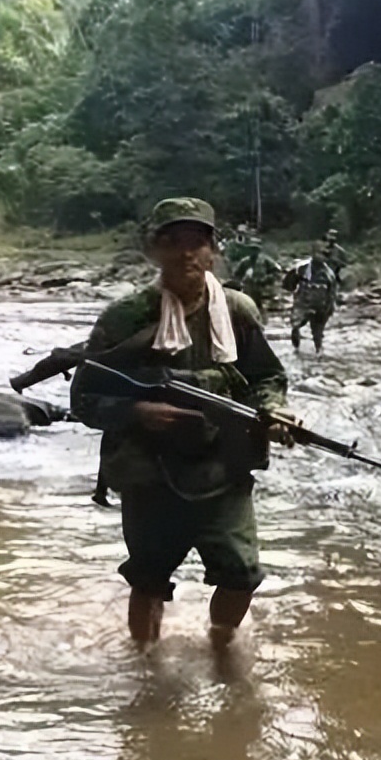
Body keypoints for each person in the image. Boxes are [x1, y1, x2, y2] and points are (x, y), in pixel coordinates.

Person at [69, 197, 291, 649]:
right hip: (149, 472)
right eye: (173, 242)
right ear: (154, 249)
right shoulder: (126, 318)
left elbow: (265, 376)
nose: (186, 253)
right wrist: (137, 412)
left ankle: (222, 646)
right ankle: (145, 668)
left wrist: (273, 411)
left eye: (197, 242)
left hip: (221, 470)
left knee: (241, 573)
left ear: (213, 250)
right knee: (148, 578)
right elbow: (86, 398)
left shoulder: (237, 312)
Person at [282, 243, 337, 353]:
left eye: (324, 255)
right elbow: (288, 282)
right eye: (319, 254)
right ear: (313, 254)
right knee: (296, 325)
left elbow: (332, 294)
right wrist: (292, 292)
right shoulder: (302, 268)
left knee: (318, 333)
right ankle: (296, 350)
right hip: (302, 303)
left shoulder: (329, 274)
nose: (321, 257)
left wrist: (329, 309)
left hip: (320, 306)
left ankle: (319, 353)